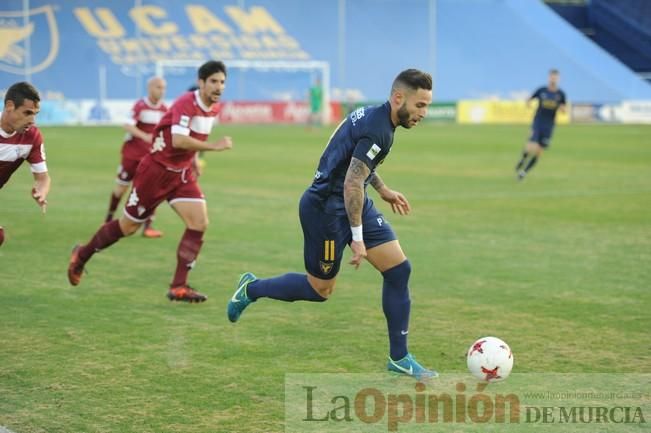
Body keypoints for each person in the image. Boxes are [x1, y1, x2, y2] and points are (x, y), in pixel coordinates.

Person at [227, 69, 437, 379]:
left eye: (427, 106)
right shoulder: (379, 128)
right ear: (398, 98)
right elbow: (352, 181)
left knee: (398, 269)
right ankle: (252, 288)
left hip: (352, 202)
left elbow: (358, 168)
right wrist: (357, 237)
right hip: (325, 211)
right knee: (320, 289)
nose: (424, 113)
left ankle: (399, 358)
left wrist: (382, 191)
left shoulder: (377, 119)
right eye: (420, 105)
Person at [68, 61, 233, 302]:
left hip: (181, 173)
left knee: (199, 223)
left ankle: (179, 286)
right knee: (128, 227)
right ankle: (81, 255)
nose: (219, 87)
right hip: (155, 172)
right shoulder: (186, 103)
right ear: (201, 82)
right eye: (214, 81)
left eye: (222, 82)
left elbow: (192, 138)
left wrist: (195, 160)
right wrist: (213, 147)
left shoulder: (213, 108)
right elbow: (178, 140)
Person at [104, 76, 167, 238]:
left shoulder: (164, 110)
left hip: (151, 158)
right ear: (150, 88)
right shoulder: (140, 106)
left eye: (163, 88)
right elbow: (127, 124)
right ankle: (108, 220)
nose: (162, 91)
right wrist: (145, 136)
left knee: (153, 190)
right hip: (132, 156)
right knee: (121, 188)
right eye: (158, 87)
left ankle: (148, 226)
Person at [0, 82, 50, 247]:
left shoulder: (32, 137)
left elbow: (43, 178)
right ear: (9, 106)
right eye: (27, 113)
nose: (32, 120)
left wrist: (41, 191)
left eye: (35, 114)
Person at [515, 69, 567, 180]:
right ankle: (523, 159)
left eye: (555, 77)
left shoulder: (560, 94)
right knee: (531, 146)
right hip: (538, 122)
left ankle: (523, 172)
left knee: (539, 151)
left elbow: (564, 109)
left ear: (558, 79)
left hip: (549, 125)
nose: (553, 79)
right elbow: (530, 99)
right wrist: (528, 102)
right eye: (552, 77)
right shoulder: (541, 90)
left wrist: (563, 109)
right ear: (549, 77)